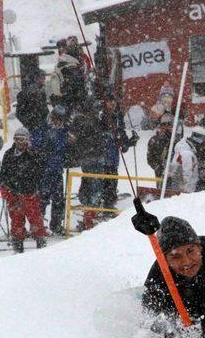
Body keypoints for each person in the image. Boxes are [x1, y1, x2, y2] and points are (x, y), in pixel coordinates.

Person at [0, 128, 47, 252]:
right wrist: (3, 186)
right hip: (14, 193)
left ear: (27, 140)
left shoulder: (33, 153)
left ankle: (41, 246)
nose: (20, 142)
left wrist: (32, 153)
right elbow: (3, 173)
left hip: (30, 192)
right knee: (16, 222)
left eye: (23, 139)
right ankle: (18, 248)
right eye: (17, 139)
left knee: (36, 220)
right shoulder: (9, 154)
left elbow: (42, 168)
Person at [70, 100, 108, 228]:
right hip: (92, 157)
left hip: (89, 157)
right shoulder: (87, 122)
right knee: (95, 185)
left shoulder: (82, 122)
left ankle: (89, 212)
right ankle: (91, 215)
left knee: (89, 183)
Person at [33, 105, 69, 234]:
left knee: (59, 199)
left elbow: (64, 149)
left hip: (57, 170)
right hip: (44, 170)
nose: (58, 122)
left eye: (60, 119)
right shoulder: (42, 129)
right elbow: (36, 146)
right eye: (56, 118)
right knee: (42, 198)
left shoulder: (63, 131)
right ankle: (38, 225)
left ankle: (56, 224)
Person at [101, 92, 138, 210]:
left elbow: (122, 139)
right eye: (109, 101)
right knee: (103, 180)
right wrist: (112, 137)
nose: (111, 104)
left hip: (114, 157)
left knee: (113, 179)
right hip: (102, 156)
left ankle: (110, 202)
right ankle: (104, 203)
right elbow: (99, 134)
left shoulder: (118, 116)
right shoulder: (102, 115)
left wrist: (130, 142)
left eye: (113, 101)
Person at [51, 38, 87, 112]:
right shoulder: (71, 68)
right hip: (70, 105)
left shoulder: (61, 64)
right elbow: (76, 90)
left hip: (62, 103)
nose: (61, 49)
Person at [16, 67, 49, 136]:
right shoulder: (26, 93)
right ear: (36, 79)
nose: (44, 80)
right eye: (42, 78)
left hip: (40, 125)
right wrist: (29, 123)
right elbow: (19, 113)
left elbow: (44, 108)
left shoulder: (41, 92)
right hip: (33, 127)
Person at [147, 114, 177, 186]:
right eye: (164, 125)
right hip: (160, 170)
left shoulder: (175, 140)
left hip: (174, 170)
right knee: (161, 188)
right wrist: (157, 167)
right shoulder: (154, 140)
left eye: (169, 125)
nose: (166, 128)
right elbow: (150, 157)